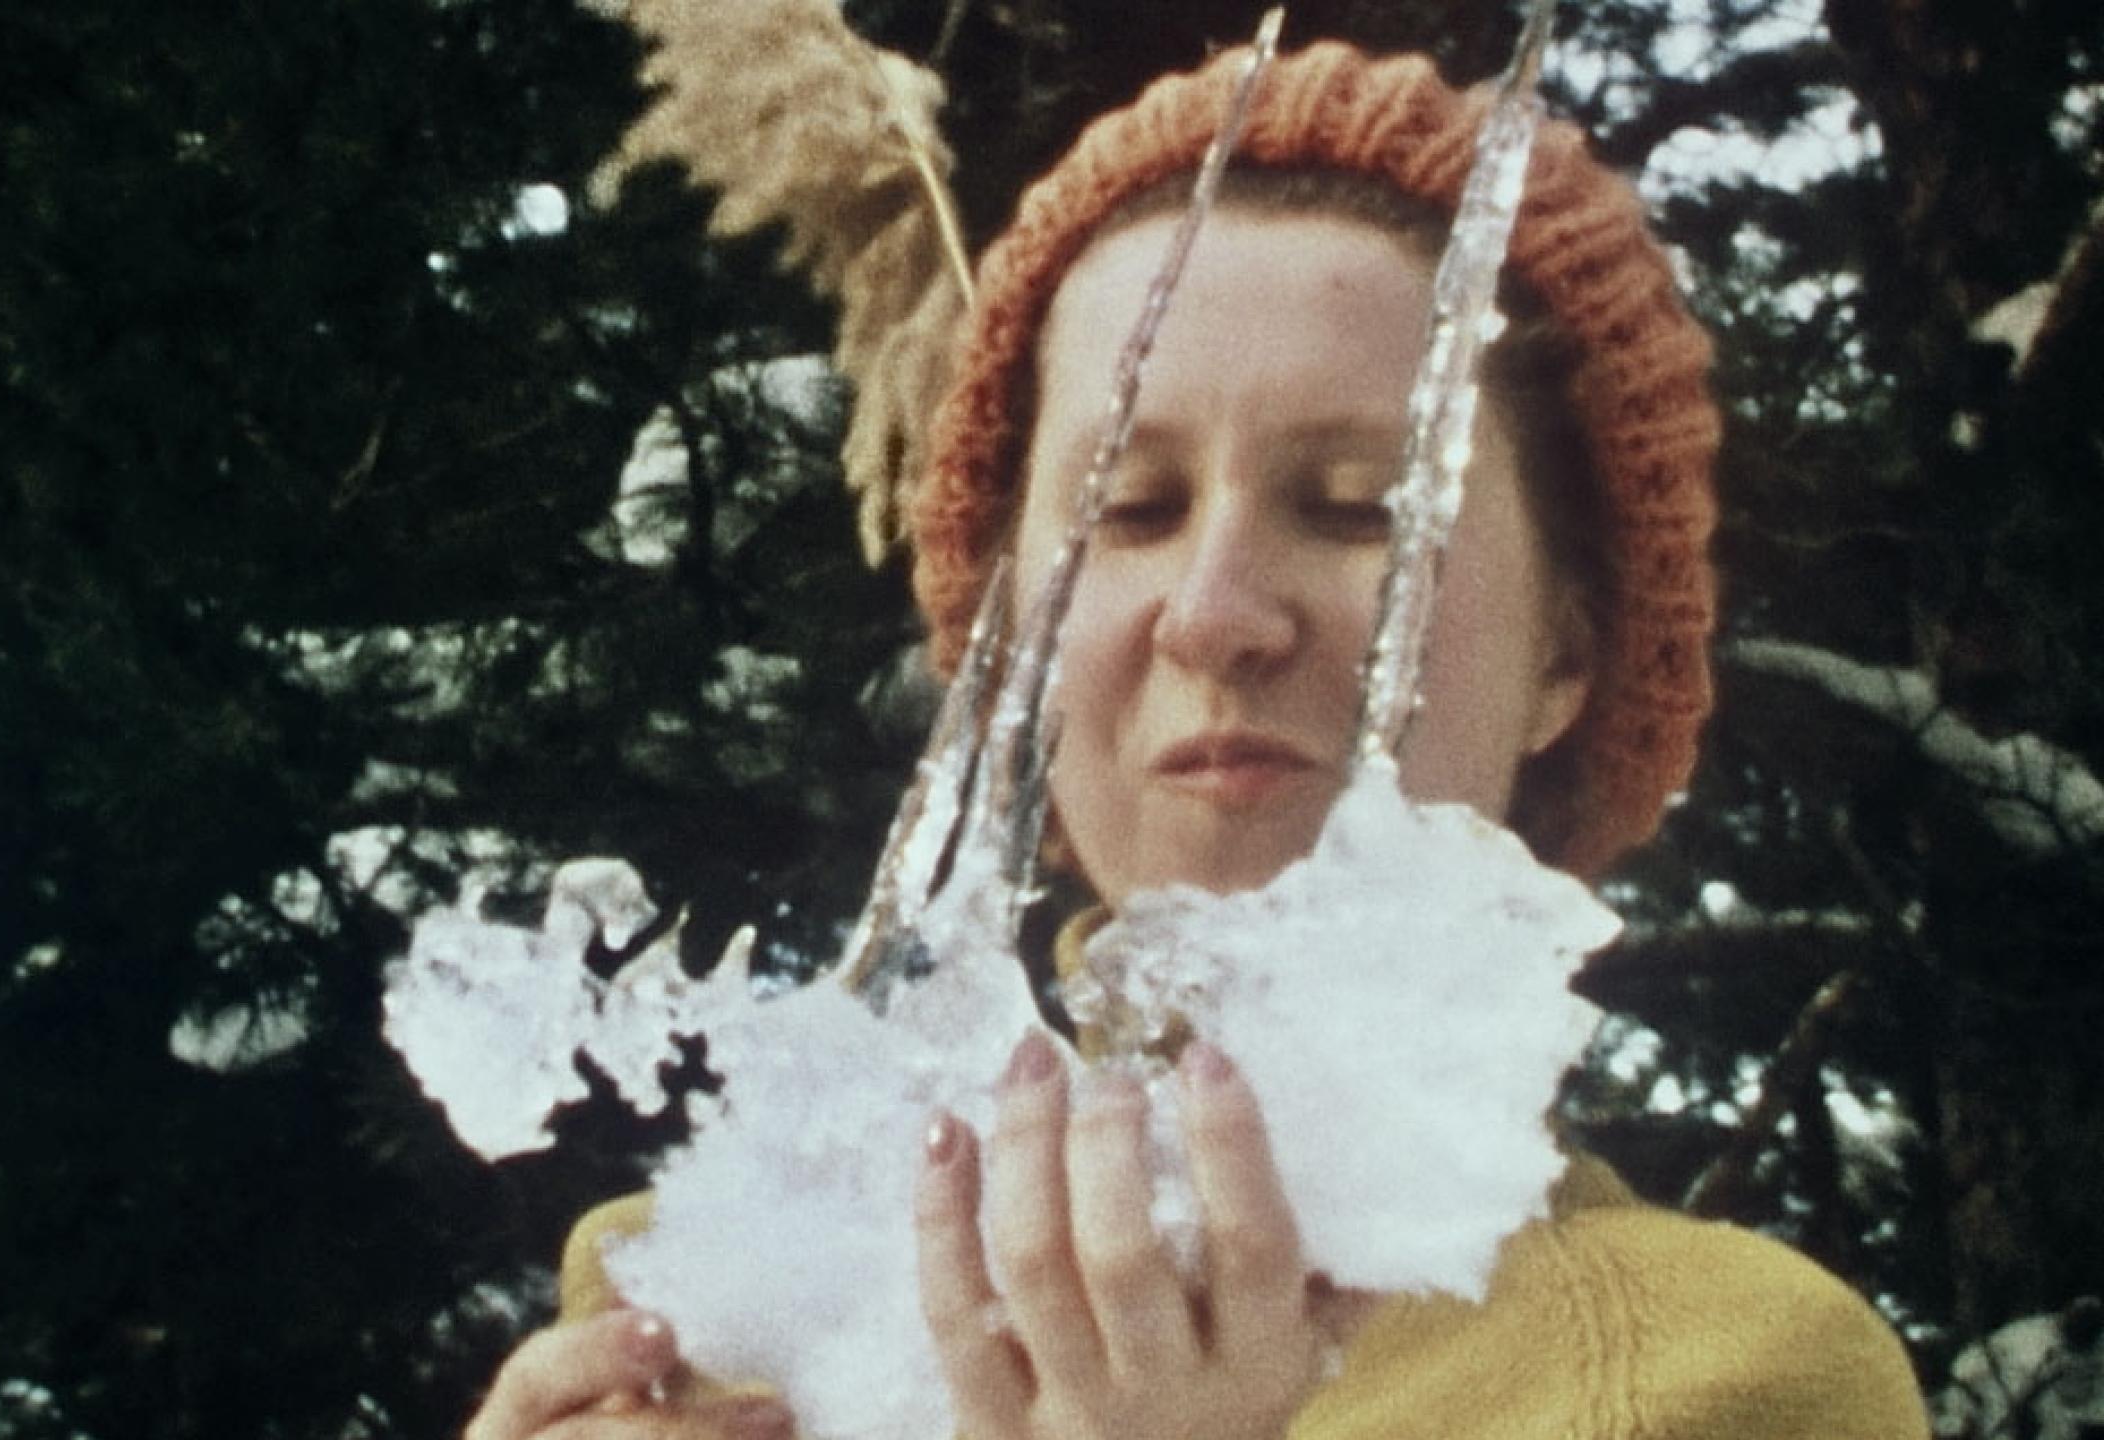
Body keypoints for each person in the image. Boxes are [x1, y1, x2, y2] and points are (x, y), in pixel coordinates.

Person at [466, 40, 1932, 1440]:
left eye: (1364, 507)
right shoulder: (713, 1309)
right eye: (1132, 510)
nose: (1216, 613)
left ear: (1570, 651)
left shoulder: (1719, 1382)